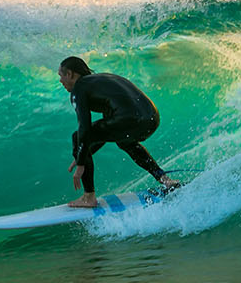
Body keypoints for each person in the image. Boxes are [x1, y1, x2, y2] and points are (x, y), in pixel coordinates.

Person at [59, 56, 179, 208]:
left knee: (77, 136)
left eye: (61, 76)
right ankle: (166, 180)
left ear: (70, 74)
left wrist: (81, 161)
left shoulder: (79, 88)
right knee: (124, 141)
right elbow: (106, 132)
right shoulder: (100, 82)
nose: (60, 81)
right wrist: (83, 154)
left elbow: (85, 128)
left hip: (130, 119)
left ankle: (88, 197)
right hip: (151, 118)